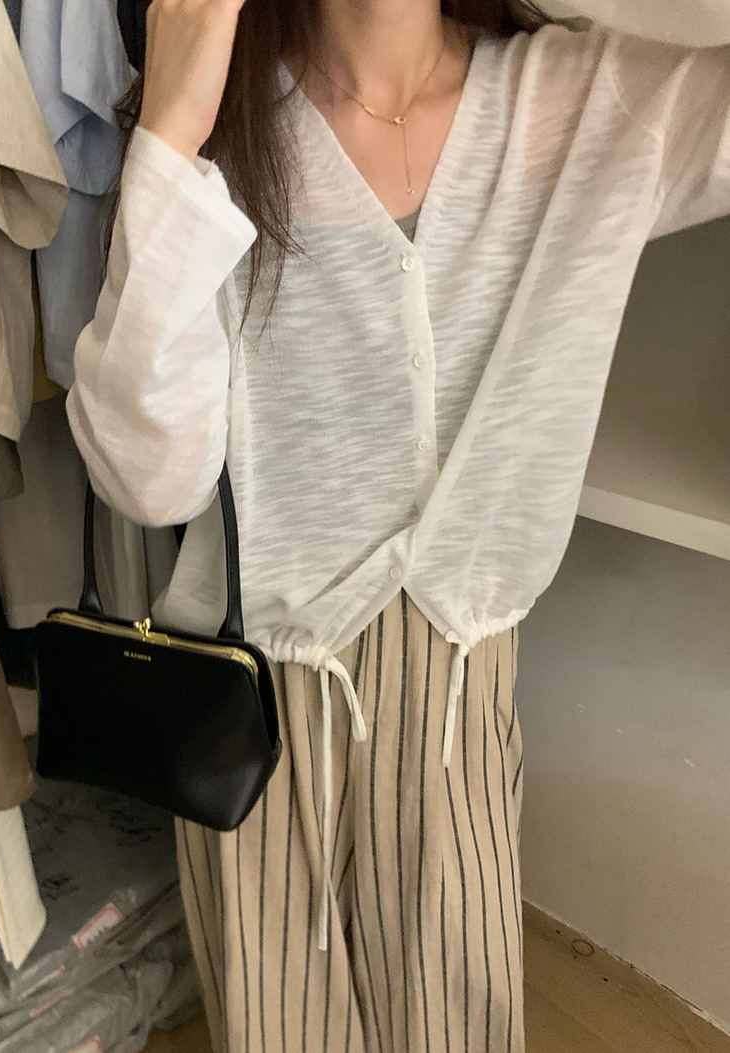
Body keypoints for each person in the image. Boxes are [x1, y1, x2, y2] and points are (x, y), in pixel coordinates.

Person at [66, 0, 730, 1049]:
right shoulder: (224, 121)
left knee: (455, 1017)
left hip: (458, 688)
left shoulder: (593, 99)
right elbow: (148, 484)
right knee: (279, 1023)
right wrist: (169, 140)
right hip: (258, 696)